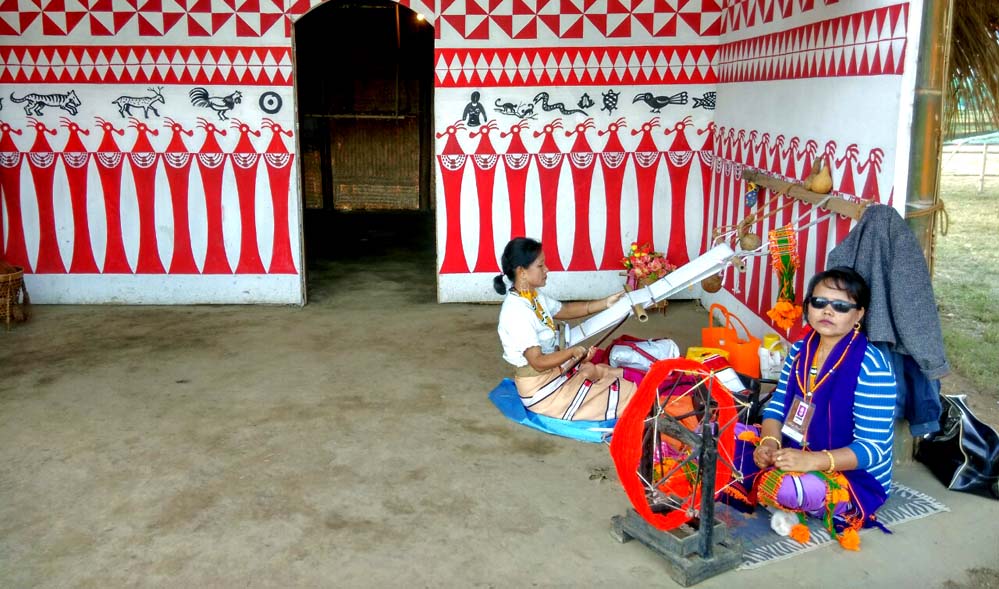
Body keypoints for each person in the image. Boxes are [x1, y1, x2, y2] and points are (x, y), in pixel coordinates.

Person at [751, 266, 896, 550]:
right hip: (794, 452)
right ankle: (781, 487)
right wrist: (768, 443)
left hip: (851, 476)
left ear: (859, 315)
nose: (827, 311)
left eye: (841, 306)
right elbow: (778, 404)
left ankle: (790, 498)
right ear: (808, 307)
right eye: (819, 303)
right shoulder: (800, 349)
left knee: (786, 489)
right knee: (726, 440)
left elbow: (872, 448)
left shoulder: (872, 367)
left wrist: (811, 462)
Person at [494, 237, 637, 422]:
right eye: (541, 266)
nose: (547, 270)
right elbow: (537, 362)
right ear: (522, 272)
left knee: (600, 372)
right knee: (627, 396)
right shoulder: (517, 312)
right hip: (542, 391)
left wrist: (606, 303)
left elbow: (565, 310)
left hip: (552, 375)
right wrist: (571, 353)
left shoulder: (532, 296)